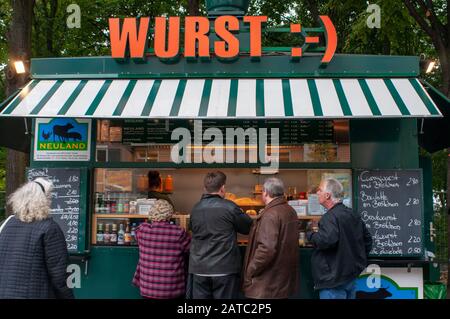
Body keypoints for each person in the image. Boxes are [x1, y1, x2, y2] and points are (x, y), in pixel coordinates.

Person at [0, 178, 74, 299]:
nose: (50, 200)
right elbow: (59, 275)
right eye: (49, 197)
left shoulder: (5, 224)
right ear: (43, 200)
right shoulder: (49, 228)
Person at [189, 171, 253, 299]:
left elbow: (192, 230)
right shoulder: (230, 207)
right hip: (224, 268)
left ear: (205, 188)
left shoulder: (195, 209)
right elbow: (248, 227)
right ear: (223, 188)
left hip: (199, 269)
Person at [306, 178, 373, 299]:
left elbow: (325, 241)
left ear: (327, 195)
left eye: (319, 190)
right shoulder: (353, 214)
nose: (317, 193)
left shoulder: (329, 217)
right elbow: (367, 241)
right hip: (350, 277)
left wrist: (310, 234)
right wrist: (357, 263)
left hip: (333, 282)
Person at [242, 177, 299, 299]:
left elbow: (267, 249)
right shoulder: (291, 211)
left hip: (267, 284)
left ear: (266, 193)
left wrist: (250, 270)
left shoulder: (270, 214)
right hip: (282, 281)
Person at [132, 199, 191, 299]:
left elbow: (135, 234)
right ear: (169, 214)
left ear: (151, 213)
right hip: (172, 288)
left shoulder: (142, 230)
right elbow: (190, 248)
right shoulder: (178, 232)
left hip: (148, 288)